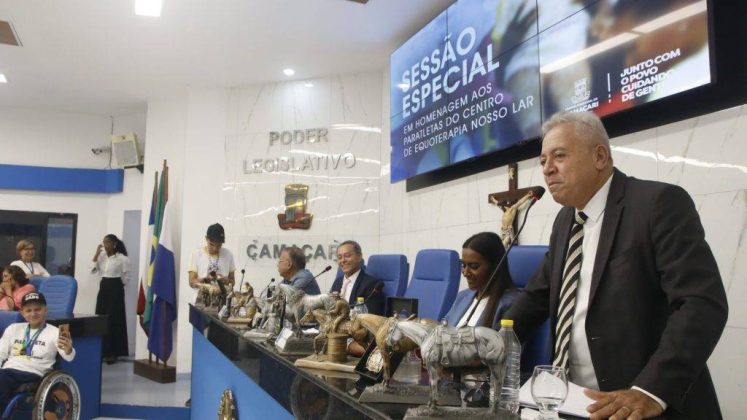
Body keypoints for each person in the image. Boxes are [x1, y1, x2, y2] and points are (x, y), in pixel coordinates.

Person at [504, 111, 728, 419]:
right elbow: (537, 296)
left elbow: (701, 304)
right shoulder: (565, 220)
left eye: (559, 156)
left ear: (599, 157)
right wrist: (494, 342)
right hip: (576, 404)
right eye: (543, 160)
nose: (547, 169)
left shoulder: (658, 204)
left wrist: (650, 391)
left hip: (644, 405)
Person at [0, 292, 75, 408]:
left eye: (37, 309)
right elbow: (1, 353)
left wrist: (68, 350)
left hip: (34, 374)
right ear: (22, 313)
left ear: (45, 310)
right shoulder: (13, 329)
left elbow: (69, 357)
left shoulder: (55, 332)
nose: (33, 314)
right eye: (28, 310)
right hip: (8, 371)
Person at [444, 232, 518, 329]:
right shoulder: (462, 296)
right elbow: (445, 326)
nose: (465, 273)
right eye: (463, 265)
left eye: (474, 266)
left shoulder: (511, 304)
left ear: (494, 266)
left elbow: (505, 338)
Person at [91, 234, 130, 365]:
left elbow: (127, 276)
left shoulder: (122, 258)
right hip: (104, 287)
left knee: (114, 318)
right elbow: (92, 270)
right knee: (101, 317)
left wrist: (118, 286)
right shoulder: (101, 257)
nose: (105, 245)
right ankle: (102, 351)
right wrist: (97, 254)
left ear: (114, 244)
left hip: (116, 288)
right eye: (104, 243)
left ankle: (113, 352)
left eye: (107, 243)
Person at [329, 240, 384, 315]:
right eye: (339, 257)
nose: (343, 260)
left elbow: (370, 316)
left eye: (347, 256)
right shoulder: (337, 282)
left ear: (359, 257)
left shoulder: (371, 284)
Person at [188, 223, 236, 304]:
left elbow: (233, 281)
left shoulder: (228, 254)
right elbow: (191, 282)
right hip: (201, 302)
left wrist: (225, 280)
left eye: (219, 245)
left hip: (222, 302)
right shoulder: (197, 254)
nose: (215, 248)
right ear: (206, 238)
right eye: (211, 244)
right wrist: (205, 280)